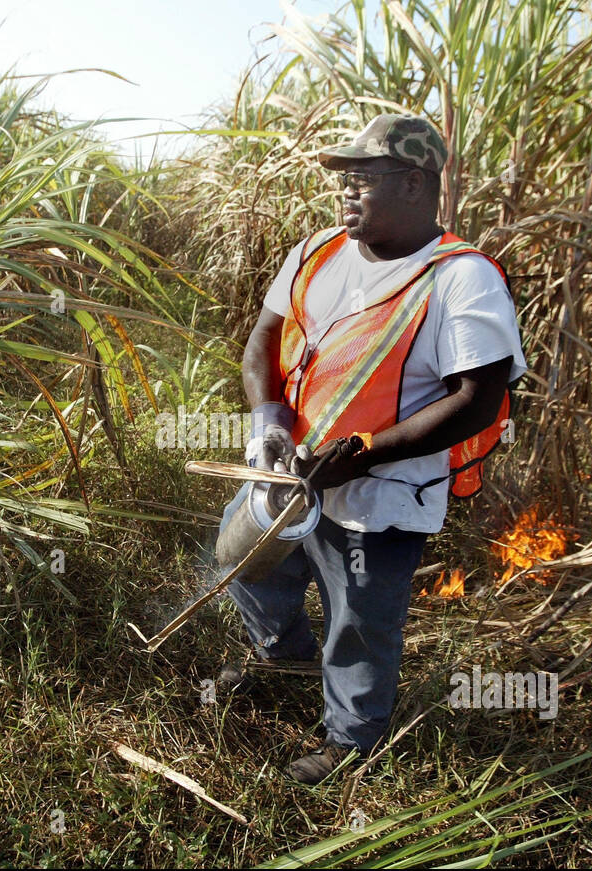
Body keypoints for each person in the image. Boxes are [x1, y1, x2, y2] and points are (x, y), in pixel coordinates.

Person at [219, 114, 528, 784]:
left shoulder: (461, 278)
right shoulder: (316, 252)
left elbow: (477, 397)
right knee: (244, 561)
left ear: (414, 184)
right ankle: (284, 653)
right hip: (289, 467)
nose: (345, 191)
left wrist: (362, 452)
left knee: (360, 620)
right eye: (342, 178)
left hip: (380, 491)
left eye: (362, 178)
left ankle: (350, 742)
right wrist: (269, 418)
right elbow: (261, 344)